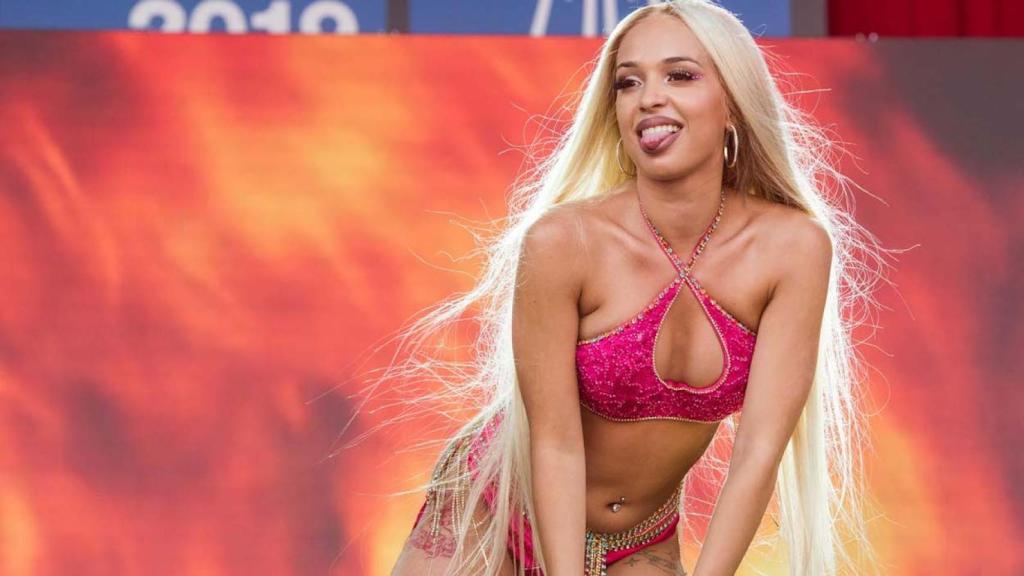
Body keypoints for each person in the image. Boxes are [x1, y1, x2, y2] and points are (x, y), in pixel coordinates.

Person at [387, 1, 884, 574]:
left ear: (733, 103)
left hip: (644, 536)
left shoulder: (793, 249)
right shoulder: (562, 241)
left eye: (680, 75)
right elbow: (554, 443)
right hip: (496, 510)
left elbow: (757, 454)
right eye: (629, 82)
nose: (649, 97)